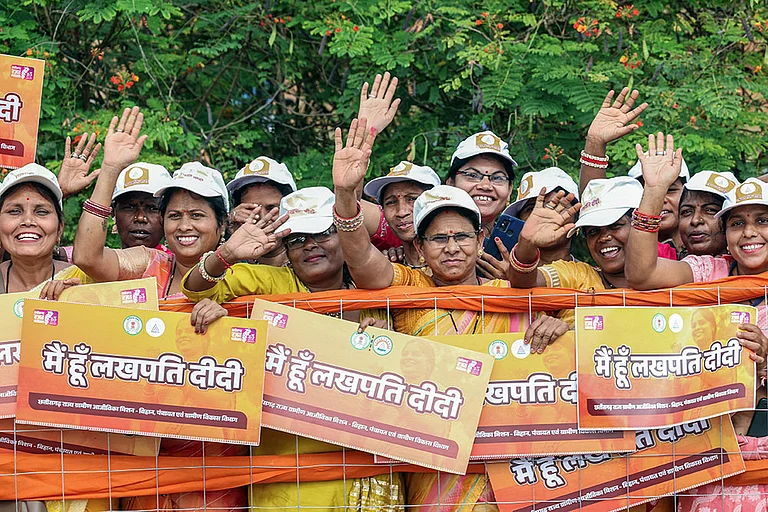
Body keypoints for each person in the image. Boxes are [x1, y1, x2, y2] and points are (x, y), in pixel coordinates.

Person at [332, 117, 566, 510]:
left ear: (480, 239)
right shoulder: (409, 291)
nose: (452, 247)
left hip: (516, 468)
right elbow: (361, 260)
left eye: (461, 236)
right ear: (420, 249)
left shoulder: (515, 294)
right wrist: (344, 193)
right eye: (439, 238)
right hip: (434, 473)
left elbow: (587, 325)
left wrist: (559, 327)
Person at [181, 184, 404, 510]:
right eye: (297, 239)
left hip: (364, 475)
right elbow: (194, 289)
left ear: (343, 236)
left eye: (322, 234)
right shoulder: (270, 284)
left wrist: (390, 343)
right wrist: (226, 255)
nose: (309, 246)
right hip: (288, 475)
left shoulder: (373, 289)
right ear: (285, 248)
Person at [623, 131, 768, 510]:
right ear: (726, 234)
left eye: (762, 220)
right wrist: (654, 193)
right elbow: (640, 275)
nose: (749, 232)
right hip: (705, 461)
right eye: (737, 223)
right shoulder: (709, 271)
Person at [72, 107, 231, 301]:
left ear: (222, 222)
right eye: (174, 216)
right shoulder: (150, 263)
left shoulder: (242, 276)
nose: (184, 226)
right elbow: (87, 258)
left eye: (196, 215)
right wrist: (110, 169)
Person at [507, 177, 638, 332]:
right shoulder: (578, 274)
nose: (604, 238)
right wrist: (527, 243)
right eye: (593, 231)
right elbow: (524, 283)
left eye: (615, 225)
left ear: (639, 224)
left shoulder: (667, 276)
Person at [0, 163, 89, 297]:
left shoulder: (84, 280)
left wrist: (77, 304)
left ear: (60, 229)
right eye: (14, 211)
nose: (28, 221)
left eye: (41, 212)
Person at [363, 161, 441, 268]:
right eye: (391, 202)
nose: (401, 212)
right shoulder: (390, 269)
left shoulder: (462, 260)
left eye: (412, 199)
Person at [226, 155, 297, 266]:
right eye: (252, 209)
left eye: (272, 209)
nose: (263, 217)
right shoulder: (226, 265)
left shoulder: (309, 256)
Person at [110, 162, 172, 251]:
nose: (140, 218)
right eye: (130, 207)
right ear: (113, 212)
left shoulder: (181, 264)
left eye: (152, 208)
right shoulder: (94, 263)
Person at [678, 170, 738, 257]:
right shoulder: (664, 263)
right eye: (687, 212)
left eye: (710, 210)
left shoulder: (755, 268)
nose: (695, 220)